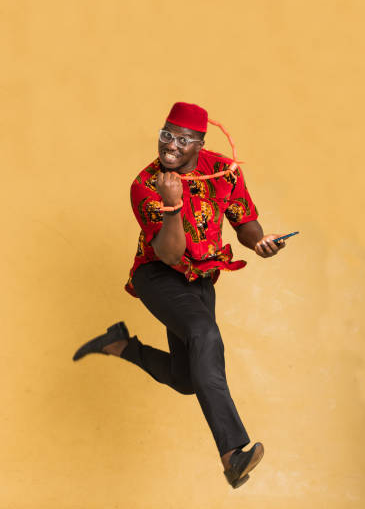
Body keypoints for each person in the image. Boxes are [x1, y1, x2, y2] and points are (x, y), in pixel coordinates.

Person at [73, 102, 287, 489]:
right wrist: (172, 204)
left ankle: (120, 344)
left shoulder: (224, 171)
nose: (170, 145)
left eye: (182, 139)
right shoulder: (146, 183)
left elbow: (244, 222)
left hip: (201, 279)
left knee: (188, 378)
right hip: (159, 275)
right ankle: (232, 454)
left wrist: (260, 242)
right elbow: (169, 254)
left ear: (200, 144)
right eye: (166, 135)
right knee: (206, 335)